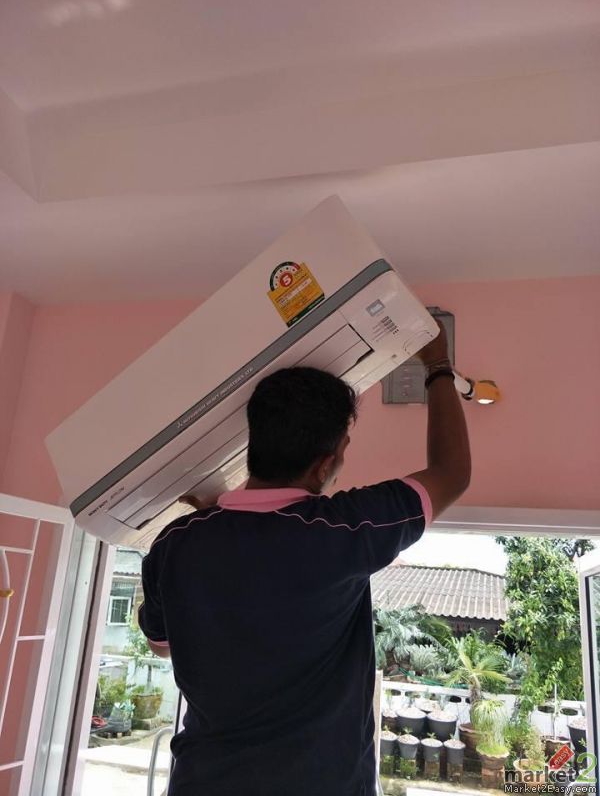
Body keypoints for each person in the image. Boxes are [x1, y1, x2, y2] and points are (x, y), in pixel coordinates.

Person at [139, 323, 470, 796]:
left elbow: (161, 645)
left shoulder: (176, 542)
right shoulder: (342, 530)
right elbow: (451, 474)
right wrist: (437, 364)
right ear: (324, 465)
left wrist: (212, 526)